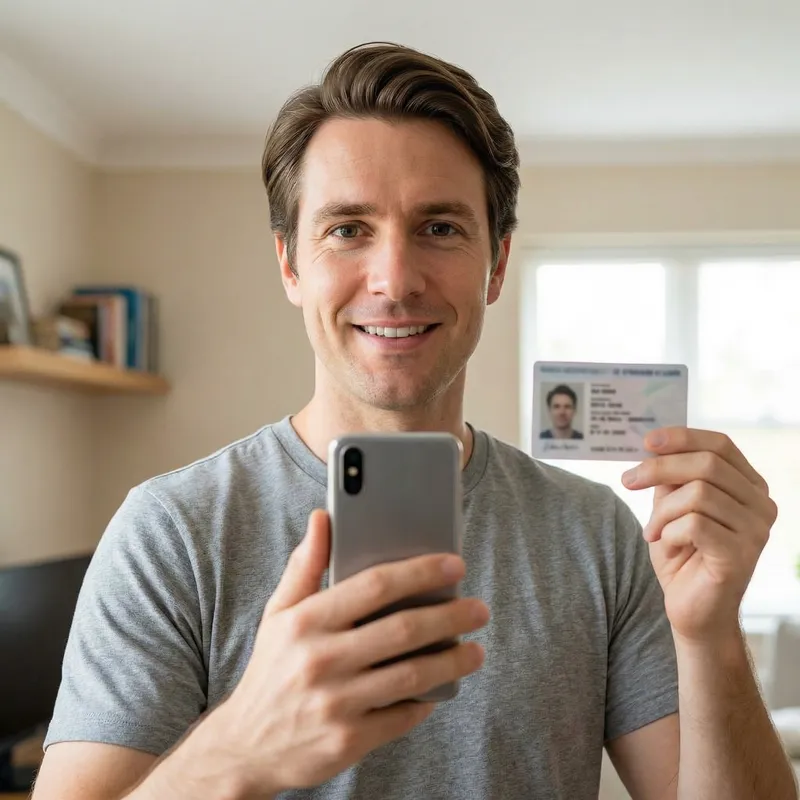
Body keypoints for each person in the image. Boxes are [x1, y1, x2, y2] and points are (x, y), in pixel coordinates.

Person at [33, 42, 797, 800]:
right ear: (290, 265)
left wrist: (711, 635)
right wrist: (238, 749)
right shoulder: (172, 532)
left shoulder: (596, 534)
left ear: (497, 265)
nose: (394, 279)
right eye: (347, 228)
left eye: (439, 228)